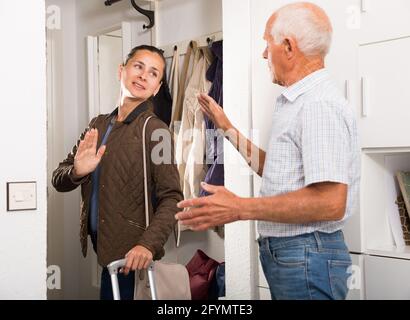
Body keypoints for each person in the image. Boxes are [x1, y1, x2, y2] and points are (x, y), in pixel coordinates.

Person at [176, 2, 360, 300]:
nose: (264, 53)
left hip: (306, 255)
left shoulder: (318, 105)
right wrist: (227, 128)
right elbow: (275, 171)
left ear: (288, 46)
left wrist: (239, 207)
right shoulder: (299, 101)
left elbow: (330, 202)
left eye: (267, 43)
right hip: (297, 256)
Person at [52, 45, 183, 300]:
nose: (144, 76)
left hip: (133, 261)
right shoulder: (97, 124)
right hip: (105, 254)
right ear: (121, 71)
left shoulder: (157, 132)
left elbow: (172, 197)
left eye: (153, 73)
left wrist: (147, 245)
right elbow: (59, 178)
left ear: (156, 88)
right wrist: (77, 171)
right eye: (138, 66)